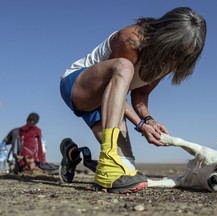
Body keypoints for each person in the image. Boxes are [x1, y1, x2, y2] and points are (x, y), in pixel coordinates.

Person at [60, 7, 206, 193]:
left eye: (184, 55)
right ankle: (106, 160)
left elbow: (140, 95)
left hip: (109, 104)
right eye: (175, 50)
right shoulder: (132, 40)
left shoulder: (171, 61)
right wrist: (140, 125)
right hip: (78, 86)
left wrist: (148, 120)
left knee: (126, 168)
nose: (175, 58)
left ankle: (74, 155)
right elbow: (113, 85)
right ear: (167, 36)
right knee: (124, 67)